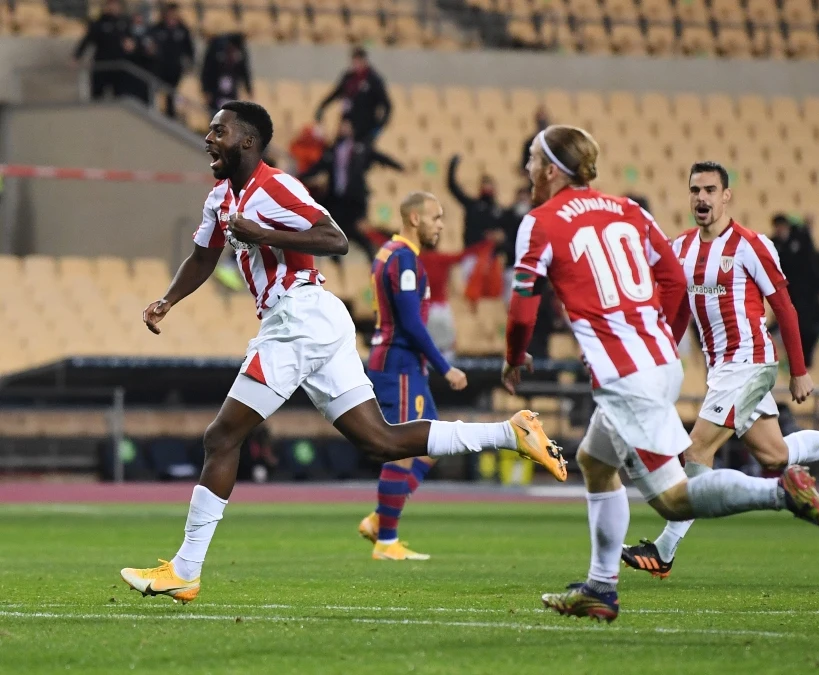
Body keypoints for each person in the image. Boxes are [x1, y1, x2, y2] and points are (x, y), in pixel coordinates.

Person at [118, 101, 566, 604]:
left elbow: (336, 238)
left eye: (218, 132)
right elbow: (203, 256)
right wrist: (167, 300)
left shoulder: (278, 187)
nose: (208, 139)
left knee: (221, 437)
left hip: (299, 319)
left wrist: (265, 234)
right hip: (312, 321)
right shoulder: (220, 198)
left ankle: (185, 569)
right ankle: (510, 431)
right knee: (382, 442)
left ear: (246, 141)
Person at [503, 125, 819, 623]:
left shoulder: (539, 222)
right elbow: (670, 277)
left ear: (554, 169)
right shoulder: (630, 210)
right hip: (658, 360)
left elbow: (520, 309)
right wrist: (646, 329)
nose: (527, 168)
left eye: (533, 158)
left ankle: (780, 491)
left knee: (672, 498)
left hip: (629, 377)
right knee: (594, 461)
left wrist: (515, 357)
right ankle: (601, 586)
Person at [621, 161, 819, 579]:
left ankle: (664, 550)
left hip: (749, 363)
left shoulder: (752, 246)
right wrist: (662, 358)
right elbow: (679, 311)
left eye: (710, 190)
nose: (702, 198)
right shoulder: (680, 249)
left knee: (698, 450)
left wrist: (800, 370)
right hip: (722, 370)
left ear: (726, 196)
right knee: (776, 453)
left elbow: (786, 309)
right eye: (695, 190)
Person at [355, 191, 469, 561]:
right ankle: (387, 541)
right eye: (436, 217)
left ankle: (380, 520)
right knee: (404, 448)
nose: (441, 225)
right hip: (399, 364)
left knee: (432, 444)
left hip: (403, 364)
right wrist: (445, 366)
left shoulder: (394, 253)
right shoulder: (403, 259)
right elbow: (411, 323)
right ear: (415, 219)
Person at [300, 118, 405, 257]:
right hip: (337, 200)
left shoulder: (360, 148)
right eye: (341, 126)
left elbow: (380, 157)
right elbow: (318, 168)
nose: (342, 129)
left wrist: (400, 167)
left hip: (355, 199)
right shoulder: (332, 150)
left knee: (356, 231)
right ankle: (337, 260)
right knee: (337, 230)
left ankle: (370, 254)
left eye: (346, 126)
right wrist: (297, 177)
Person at [770, 213, 819, 367]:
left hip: (808, 295)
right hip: (797, 296)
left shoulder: (800, 243)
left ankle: (801, 361)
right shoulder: (776, 245)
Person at [315, 47, 391, 143]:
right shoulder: (349, 77)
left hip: (365, 127)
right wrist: (322, 106)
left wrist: (378, 127)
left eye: (358, 60)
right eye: (354, 61)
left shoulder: (374, 80)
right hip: (347, 124)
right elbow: (336, 93)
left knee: (359, 154)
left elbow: (386, 105)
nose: (356, 64)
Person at [73, 0, 132, 101]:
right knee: (97, 95)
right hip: (102, 65)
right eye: (111, 5)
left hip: (120, 66)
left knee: (120, 96)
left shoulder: (125, 23)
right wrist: (76, 56)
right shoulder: (98, 23)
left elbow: (131, 39)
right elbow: (87, 40)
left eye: (115, 5)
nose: (113, 7)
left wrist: (131, 44)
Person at [150, 2, 195, 119]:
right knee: (159, 92)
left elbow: (189, 49)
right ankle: (157, 112)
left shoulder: (182, 29)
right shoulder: (157, 28)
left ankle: (171, 114)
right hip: (159, 67)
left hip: (175, 67)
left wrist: (189, 63)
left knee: (173, 92)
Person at [200, 33, 251, 115]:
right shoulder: (216, 51)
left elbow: (245, 71)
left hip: (231, 94)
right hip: (216, 93)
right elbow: (207, 71)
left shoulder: (240, 55)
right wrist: (206, 89)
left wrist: (248, 88)